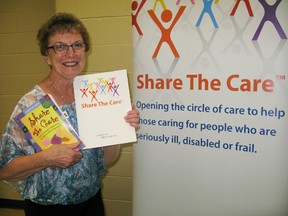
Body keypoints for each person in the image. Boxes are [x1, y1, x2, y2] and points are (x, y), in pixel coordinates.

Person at [0, 12, 139, 216]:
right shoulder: (31, 103)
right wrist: (46, 158)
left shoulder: (94, 94)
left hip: (91, 203)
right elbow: (5, 169)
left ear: (85, 50)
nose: (70, 54)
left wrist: (119, 127)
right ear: (46, 56)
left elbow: (105, 160)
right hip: (47, 210)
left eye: (77, 45)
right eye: (59, 47)